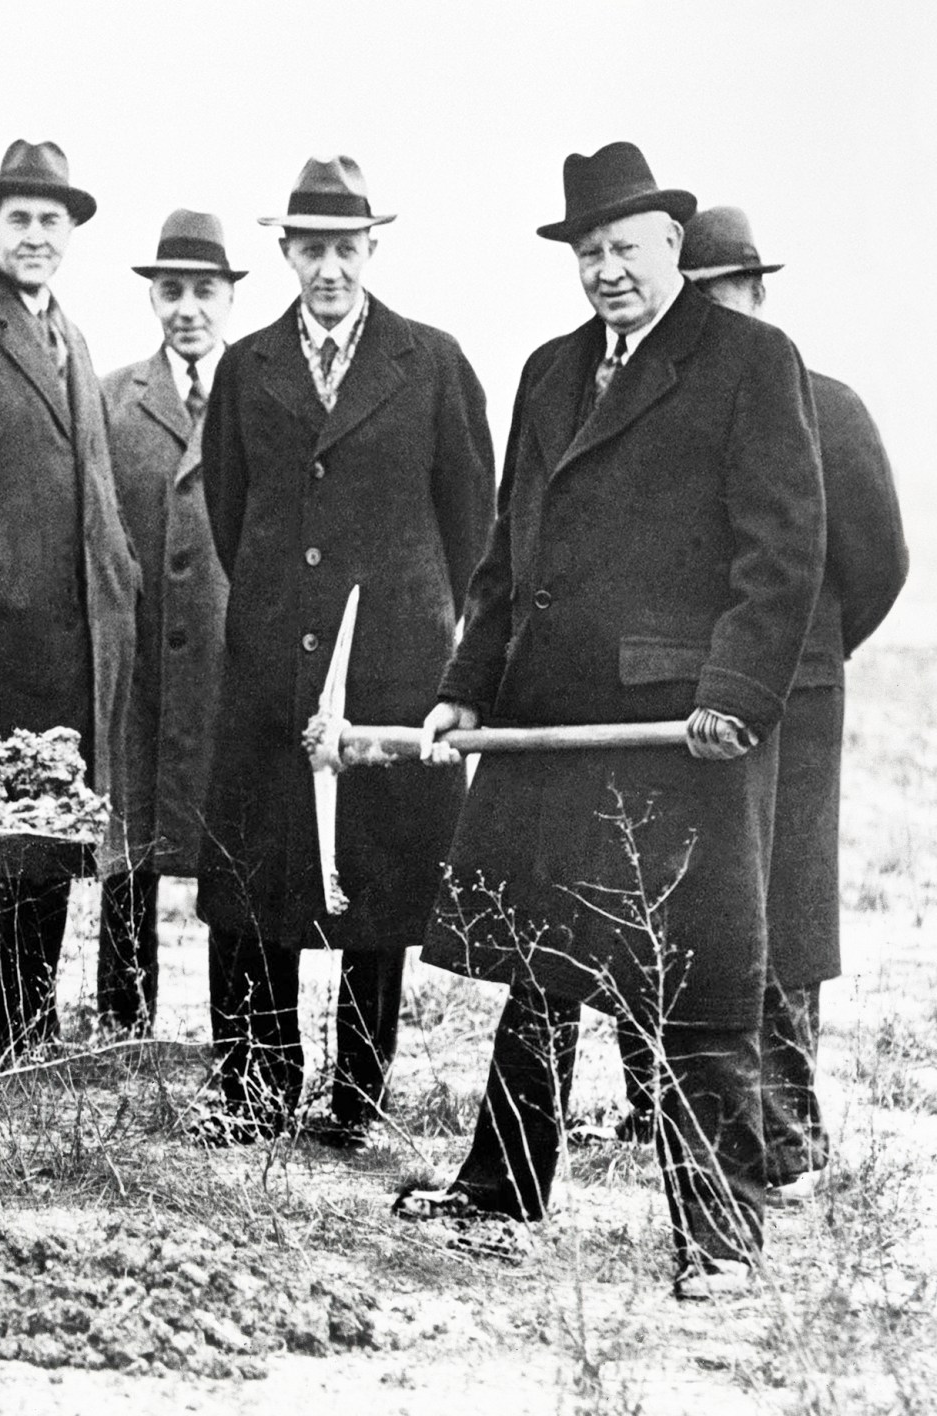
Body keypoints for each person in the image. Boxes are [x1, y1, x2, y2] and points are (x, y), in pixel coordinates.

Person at [404, 143, 826, 1301]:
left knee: (694, 978)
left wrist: (734, 699)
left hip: (678, 731)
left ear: (673, 249)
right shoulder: (548, 372)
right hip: (548, 716)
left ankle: (719, 1238)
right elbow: (505, 554)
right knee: (540, 961)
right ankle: (500, 1188)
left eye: (627, 248)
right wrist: (465, 684)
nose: (607, 271)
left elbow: (780, 552)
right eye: (587, 251)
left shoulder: (748, 361)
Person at [579, 208, 909, 1203]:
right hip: (670, 699)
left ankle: (783, 1137)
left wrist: (798, 662)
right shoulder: (642, 402)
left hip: (789, 702)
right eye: (697, 293)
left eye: (724, 293)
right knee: (661, 898)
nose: (708, 315)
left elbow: (876, 561)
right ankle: (656, 1104)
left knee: (778, 915)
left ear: (756, 293)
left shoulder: (824, 404)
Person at [195, 157, 495, 1151]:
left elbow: (468, 522)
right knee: (264, 878)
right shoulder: (246, 367)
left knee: (375, 882)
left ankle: (355, 1100)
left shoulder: (432, 361)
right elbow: (230, 515)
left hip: (393, 668)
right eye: (309, 248)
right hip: (273, 659)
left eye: (346, 249)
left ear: (372, 251)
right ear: (283, 252)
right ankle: (260, 1081)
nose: (328, 269)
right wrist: (284, 605)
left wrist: (428, 642)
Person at [0, 140, 138, 1060]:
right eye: (19, 218)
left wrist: (117, 583)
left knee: (50, 833)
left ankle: (26, 1021)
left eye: (52, 221)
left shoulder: (72, 333)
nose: (36, 235)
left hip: (76, 634)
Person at [96, 209, 240, 1035]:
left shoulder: (259, 387)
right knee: (130, 832)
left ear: (228, 299)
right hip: (142, 654)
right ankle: (123, 1013)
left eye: (205, 292)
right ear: (154, 298)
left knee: (230, 833)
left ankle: (237, 1020)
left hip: (228, 654)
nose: (188, 308)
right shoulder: (116, 398)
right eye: (173, 291)